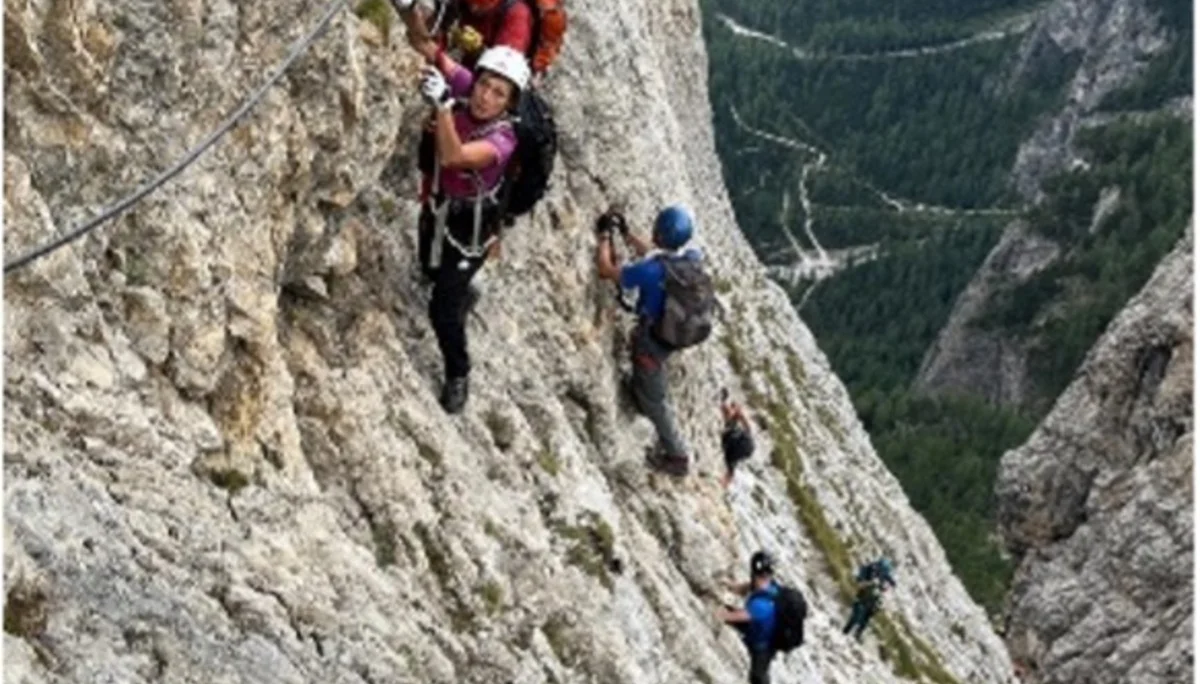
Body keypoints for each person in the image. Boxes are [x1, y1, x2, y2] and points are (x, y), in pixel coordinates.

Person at [407, 44, 530, 413]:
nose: (485, 97)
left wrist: (444, 106)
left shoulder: (503, 139)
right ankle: (459, 287)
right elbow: (431, 49)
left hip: (471, 230)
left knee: (442, 310)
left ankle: (458, 373)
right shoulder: (463, 87)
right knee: (429, 268)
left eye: (499, 94)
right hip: (440, 207)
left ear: (509, 104)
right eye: (484, 85)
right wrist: (412, 8)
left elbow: (455, 157)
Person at [594, 205, 701, 476]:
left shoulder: (651, 272)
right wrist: (628, 235)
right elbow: (657, 257)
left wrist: (605, 237)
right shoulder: (690, 258)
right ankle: (642, 395)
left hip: (650, 343)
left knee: (656, 401)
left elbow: (606, 270)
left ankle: (678, 457)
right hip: (669, 337)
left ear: (659, 234)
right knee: (650, 387)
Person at [392, 0, 566, 82]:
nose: (473, 8)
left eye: (479, 6)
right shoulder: (467, 5)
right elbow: (441, 25)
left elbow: (500, 82)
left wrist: (478, 50)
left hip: (486, 96)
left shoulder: (517, 17)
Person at [716, 551, 780, 684]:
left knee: (758, 675)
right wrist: (730, 585)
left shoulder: (763, 597)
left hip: (763, 640)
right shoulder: (766, 583)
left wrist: (723, 615)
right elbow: (746, 588)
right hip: (762, 631)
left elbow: (746, 615)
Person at [719, 389, 755, 488]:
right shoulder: (733, 426)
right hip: (743, 444)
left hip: (741, 443)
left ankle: (725, 482)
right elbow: (747, 427)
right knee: (730, 462)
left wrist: (737, 412)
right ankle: (725, 482)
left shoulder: (732, 426)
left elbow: (746, 426)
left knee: (730, 461)